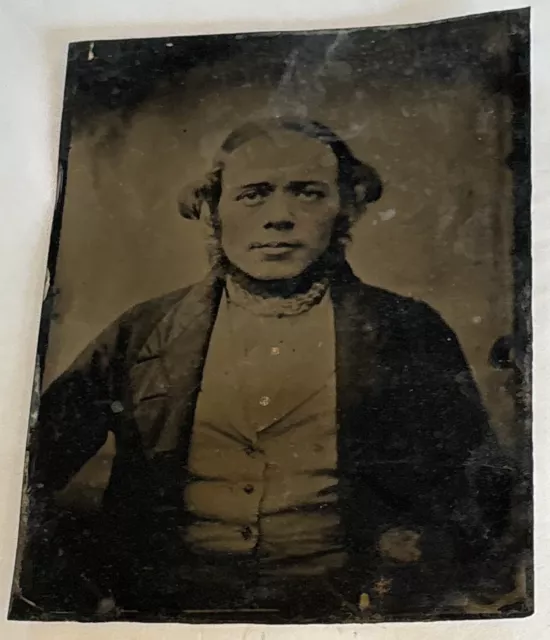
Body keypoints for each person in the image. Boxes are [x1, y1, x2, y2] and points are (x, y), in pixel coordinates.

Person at [14, 117, 517, 623]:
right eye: (253, 194)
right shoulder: (143, 332)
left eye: (308, 193)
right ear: (212, 210)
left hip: (341, 615)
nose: (279, 216)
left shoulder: (409, 331)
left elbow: (482, 491)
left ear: (344, 208)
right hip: (166, 614)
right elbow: (24, 469)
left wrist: (419, 564)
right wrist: (73, 588)